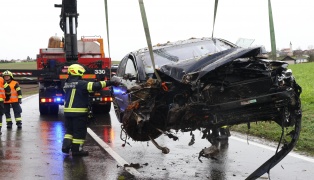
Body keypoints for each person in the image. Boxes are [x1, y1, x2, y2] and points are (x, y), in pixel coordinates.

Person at [62, 64, 119, 156]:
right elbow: (95, 86)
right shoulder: (81, 84)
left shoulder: (66, 84)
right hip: (79, 113)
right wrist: (110, 82)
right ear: (78, 72)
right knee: (79, 132)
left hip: (68, 112)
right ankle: (77, 151)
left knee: (69, 131)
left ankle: (65, 147)